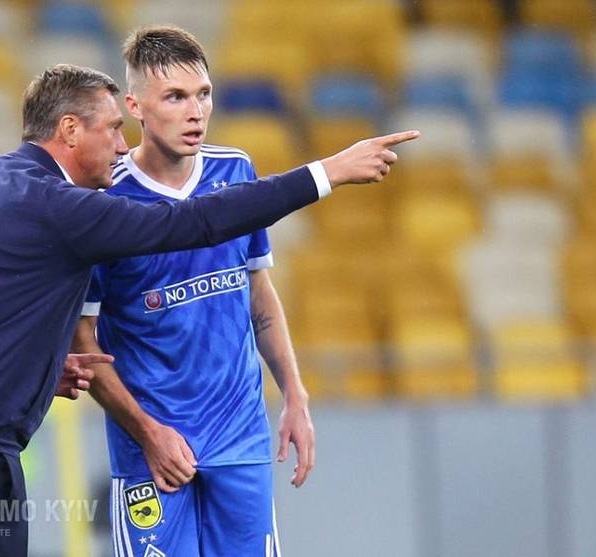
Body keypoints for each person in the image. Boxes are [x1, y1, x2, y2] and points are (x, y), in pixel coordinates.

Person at [0, 62, 418, 556]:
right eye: (112, 129)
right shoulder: (60, 206)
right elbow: (192, 223)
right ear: (70, 131)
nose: (121, 145)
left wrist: (31, 368)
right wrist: (326, 173)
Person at [70, 26, 414, 557]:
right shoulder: (104, 199)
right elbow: (83, 339)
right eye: (176, 97)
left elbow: (259, 295)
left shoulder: (235, 170)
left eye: (203, 94)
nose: (195, 112)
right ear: (135, 107)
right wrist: (147, 432)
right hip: (153, 451)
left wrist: (295, 395)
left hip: (239, 436)